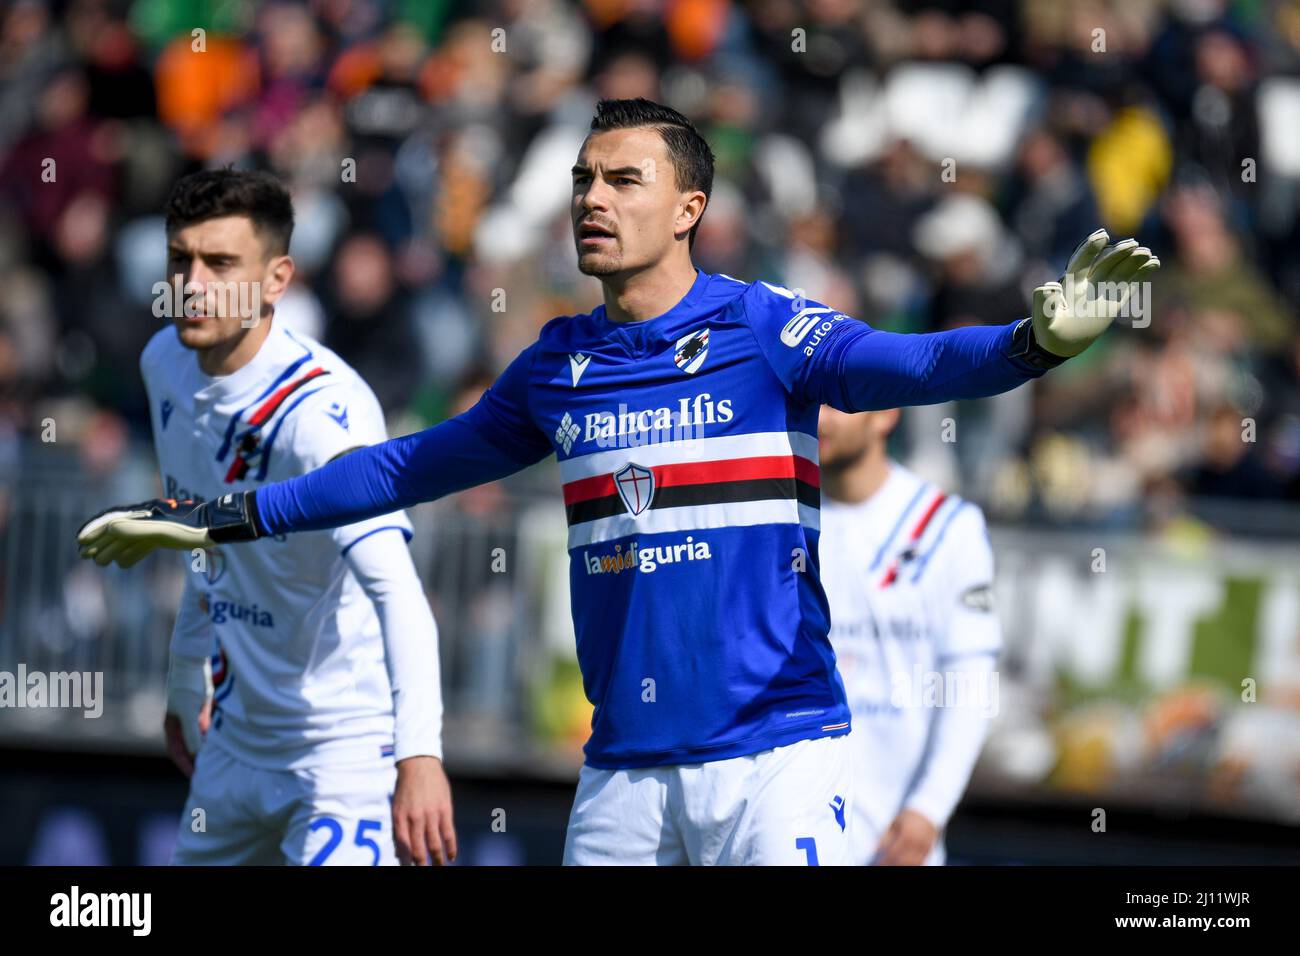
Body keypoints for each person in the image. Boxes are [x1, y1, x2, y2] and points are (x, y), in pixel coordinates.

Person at [78, 98, 1159, 865]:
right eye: (582, 179)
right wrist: (226, 517)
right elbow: (407, 467)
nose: (591, 197)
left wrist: (1033, 343)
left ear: (687, 207)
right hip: (623, 773)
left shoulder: (763, 326)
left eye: (621, 180)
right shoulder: (557, 363)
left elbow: (912, 363)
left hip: (775, 758)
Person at [100, 169, 454, 865]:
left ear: (276, 279)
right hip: (233, 746)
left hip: (341, 757)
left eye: (221, 263)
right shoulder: (164, 362)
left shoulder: (323, 418)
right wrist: (182, 676)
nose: (193, 283)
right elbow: (205, 535)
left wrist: (420, 757)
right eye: (181, 260)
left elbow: (398, 592)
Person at [818, 405, 1000, 865]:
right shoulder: (777, 520)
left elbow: (971, 684)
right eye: (809, 398)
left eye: (835, 401)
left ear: (885, 412)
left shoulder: (949, 526)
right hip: (788, 837)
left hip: (896, 845)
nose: (818, 418)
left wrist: (928, 809)